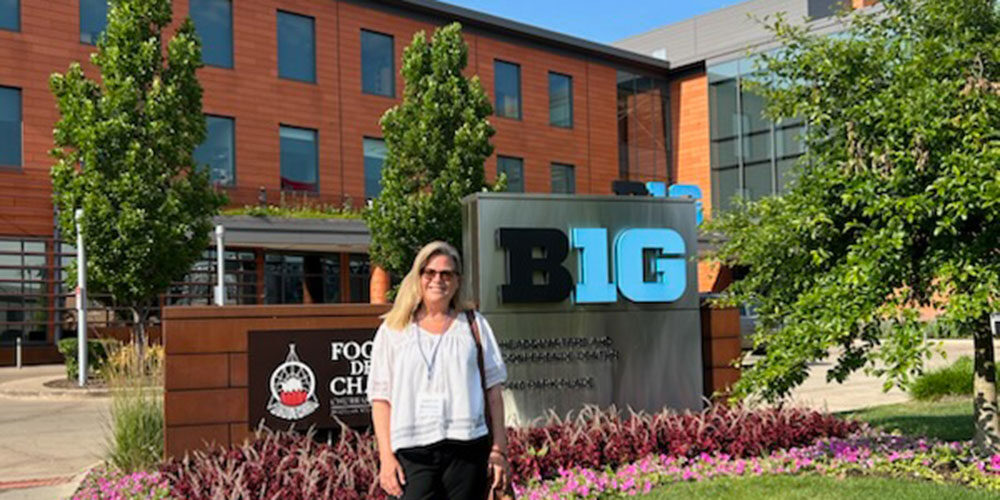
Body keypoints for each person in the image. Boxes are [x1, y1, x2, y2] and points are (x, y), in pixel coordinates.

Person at [367, 241, 509, 499]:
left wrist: (499, 451)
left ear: (457, 281)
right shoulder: (393, 329)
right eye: (429, 272)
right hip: (412, 453)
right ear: (418, 277)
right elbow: (380, 400)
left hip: (467, 450)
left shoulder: (474, 325)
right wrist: (386, 458)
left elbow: (494, 393)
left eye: (446, 274)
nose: (437, 280)